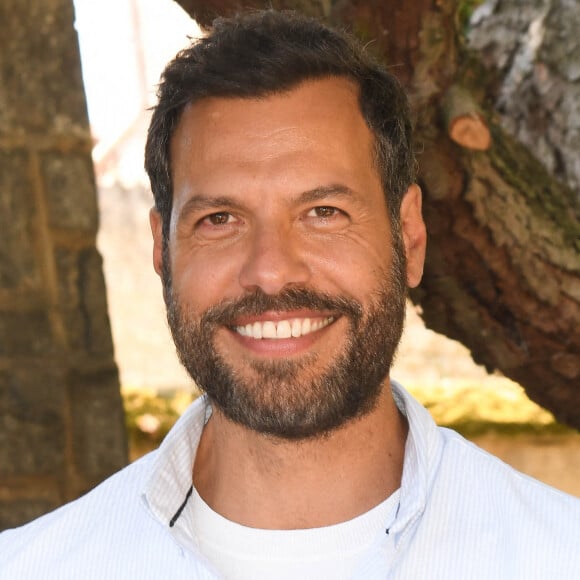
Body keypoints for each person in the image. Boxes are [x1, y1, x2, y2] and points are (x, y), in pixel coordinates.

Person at [1, 9, 578, 580]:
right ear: (162, 250)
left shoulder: (557, 556)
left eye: (323, 213)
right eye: (220, 218)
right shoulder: (35, 567)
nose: (272, 272)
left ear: (411, 237)